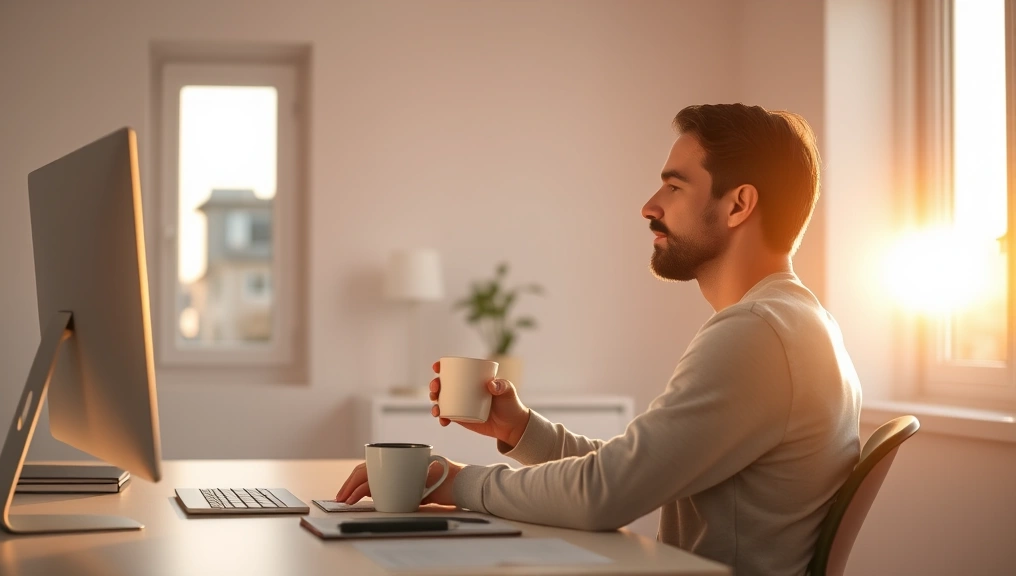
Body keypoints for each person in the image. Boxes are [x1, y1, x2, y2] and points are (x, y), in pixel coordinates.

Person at [337, 103, 862, 576]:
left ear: (738, 205)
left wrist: (455, 484)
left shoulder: (757, 334)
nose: (649, 206)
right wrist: (521, 429)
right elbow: (633, 470)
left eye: (674, 187)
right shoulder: (796, 321)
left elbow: (604, 496)